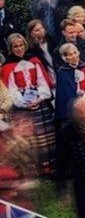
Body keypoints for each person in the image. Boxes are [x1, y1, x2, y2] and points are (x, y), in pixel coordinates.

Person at [2, 34, 55, 174]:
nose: (19, 49)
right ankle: (37, 170)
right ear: (10, 48)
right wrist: (25, 103)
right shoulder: (8, 66)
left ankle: (51, 168)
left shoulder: (34, 60)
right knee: (31, 139)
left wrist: (40, 97)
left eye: (21, 45)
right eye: (16, 46)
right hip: (23, 108)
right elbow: (11, 89)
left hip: (40, 104)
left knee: (47, 137)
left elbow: (43, 81)